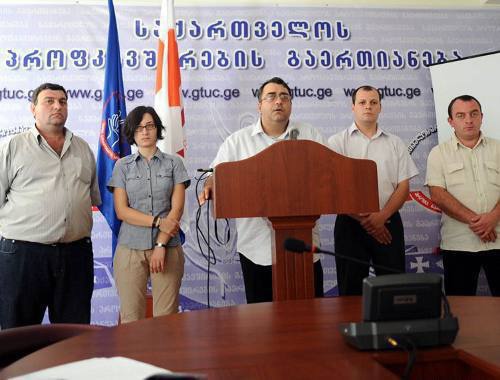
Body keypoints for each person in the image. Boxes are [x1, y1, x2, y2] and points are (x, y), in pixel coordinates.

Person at [198, 77, 325, 304]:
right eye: (272, 96)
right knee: (263, 324)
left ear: (291, 104)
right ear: (260, 105)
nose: (278, 102)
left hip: (303, 246)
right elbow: (215, 174)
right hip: (256, 248)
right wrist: (210, 184)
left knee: (310, 319)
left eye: (284, 97)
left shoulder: (310, 135)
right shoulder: (238, 141)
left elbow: (328, 175)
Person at [0, 83, 101, 329]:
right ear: (33, 109)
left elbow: (92, 198)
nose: (58, 106)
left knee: (74, 337)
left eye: (63, 101)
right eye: (49, 101)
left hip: (75, 256)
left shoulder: (83, 148)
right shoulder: (12, 146)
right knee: (18, 333)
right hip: (24, 256)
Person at [328, 85, 418, 295]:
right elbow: (334, 189)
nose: (368, 106)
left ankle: (392, 328)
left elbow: (403, 187)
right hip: (349, 224)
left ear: (380, 108)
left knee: (393, 288)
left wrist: (381, 217)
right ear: (353, 107)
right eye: (362, 102)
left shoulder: (395, 143)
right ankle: (353, 328)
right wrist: (367, 221)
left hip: (389, 222)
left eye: (373, 102)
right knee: (350, 289)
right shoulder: (336, 143)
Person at [107, 106, 190, 323]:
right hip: (129, 248)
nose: (145, 132)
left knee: (166, 319)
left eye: (150, 126)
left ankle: (163, 359)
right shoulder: (122, 166)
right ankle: (131, 358)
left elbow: (177, 210)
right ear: (132, 133)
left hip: (168, 248)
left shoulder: (174, 163)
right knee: (131, 318)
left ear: (157, 129)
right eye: (139, 127)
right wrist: (158, 222)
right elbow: (122, 211)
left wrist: (161, 245)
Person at [425, 95, 500, 296]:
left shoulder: (498, 148)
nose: (468, 120)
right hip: (459, 243)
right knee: (460, 309)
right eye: (461, 115)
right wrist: (480, 223)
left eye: (473, 114)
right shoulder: (438, 153)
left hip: (499, 240)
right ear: (450, 121)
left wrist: (492, 218)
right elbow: (438, 195)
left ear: (481, 117)